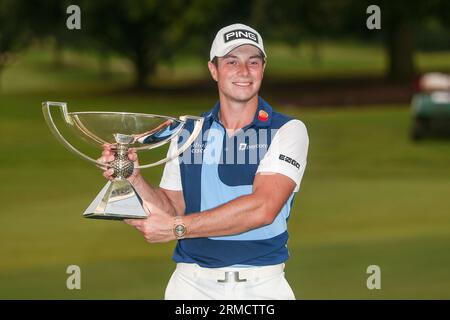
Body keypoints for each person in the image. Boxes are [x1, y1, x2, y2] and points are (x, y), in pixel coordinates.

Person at [100, 23, 309, 300]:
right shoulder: (188, 132)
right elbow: (173, 207)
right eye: (232, 62)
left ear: (263, 68)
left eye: (253, 62)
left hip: (262, 287)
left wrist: (177, 228)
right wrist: (133, 178)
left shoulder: (287, 130)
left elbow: (263, 208)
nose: (244, 72)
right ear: (214, 70)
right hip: (191, 285)